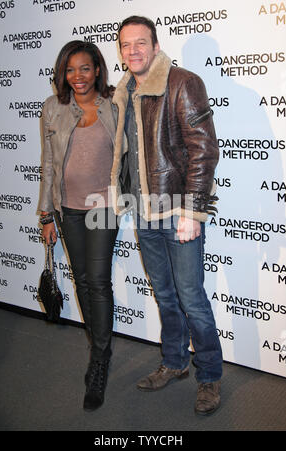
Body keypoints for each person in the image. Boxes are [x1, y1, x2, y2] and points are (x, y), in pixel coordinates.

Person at [111, 16, 223, 415]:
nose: (134, 50)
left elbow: (204, 150)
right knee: (166, 296)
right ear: (120, 51)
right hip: (144, 213)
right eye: (126, 45)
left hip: (178, 213)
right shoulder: (122, 93)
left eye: (141, 43)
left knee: (191, 297)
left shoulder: (183, 82)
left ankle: (209, 375)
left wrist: (192, 211)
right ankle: (174, 362)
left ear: (155, 46)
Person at [38, 40, 118, 411]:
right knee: (83, 281)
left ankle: (99, 362)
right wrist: (45, 214)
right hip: (68, 208)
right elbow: (48, 165)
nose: (78, 77)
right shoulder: (53, 108)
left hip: (103, 206)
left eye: (85, 68)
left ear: (97, 69)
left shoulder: (115, 105)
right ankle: (98, 346)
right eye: (70, 70)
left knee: (98, 282)